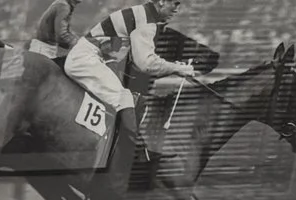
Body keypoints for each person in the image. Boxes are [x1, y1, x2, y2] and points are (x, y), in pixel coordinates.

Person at [65, 0, 204, 150]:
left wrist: (175, 67)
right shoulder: (146, 22)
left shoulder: (142, 13)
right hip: (87, 59)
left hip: (90, 56)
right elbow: (146, 64)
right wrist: (178, 69)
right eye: (175, 4)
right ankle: (134, 148)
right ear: (162, 2)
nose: (177, 10)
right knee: (123, 97)